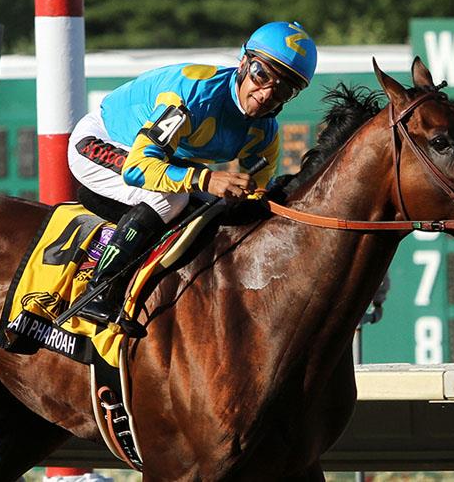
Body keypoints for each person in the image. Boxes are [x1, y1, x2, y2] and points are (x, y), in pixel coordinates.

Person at [67, 21, 318, 337]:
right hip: (102, 141)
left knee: (216, 208)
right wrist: (206, 179)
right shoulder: (192, 94)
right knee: (169, 198)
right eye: (261, 75)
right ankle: (99, 291)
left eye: (283, 90)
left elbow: (255, 196)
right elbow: (138, 168)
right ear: (243, 63)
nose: (267, 94)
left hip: (161, 158)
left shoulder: (265, 132)